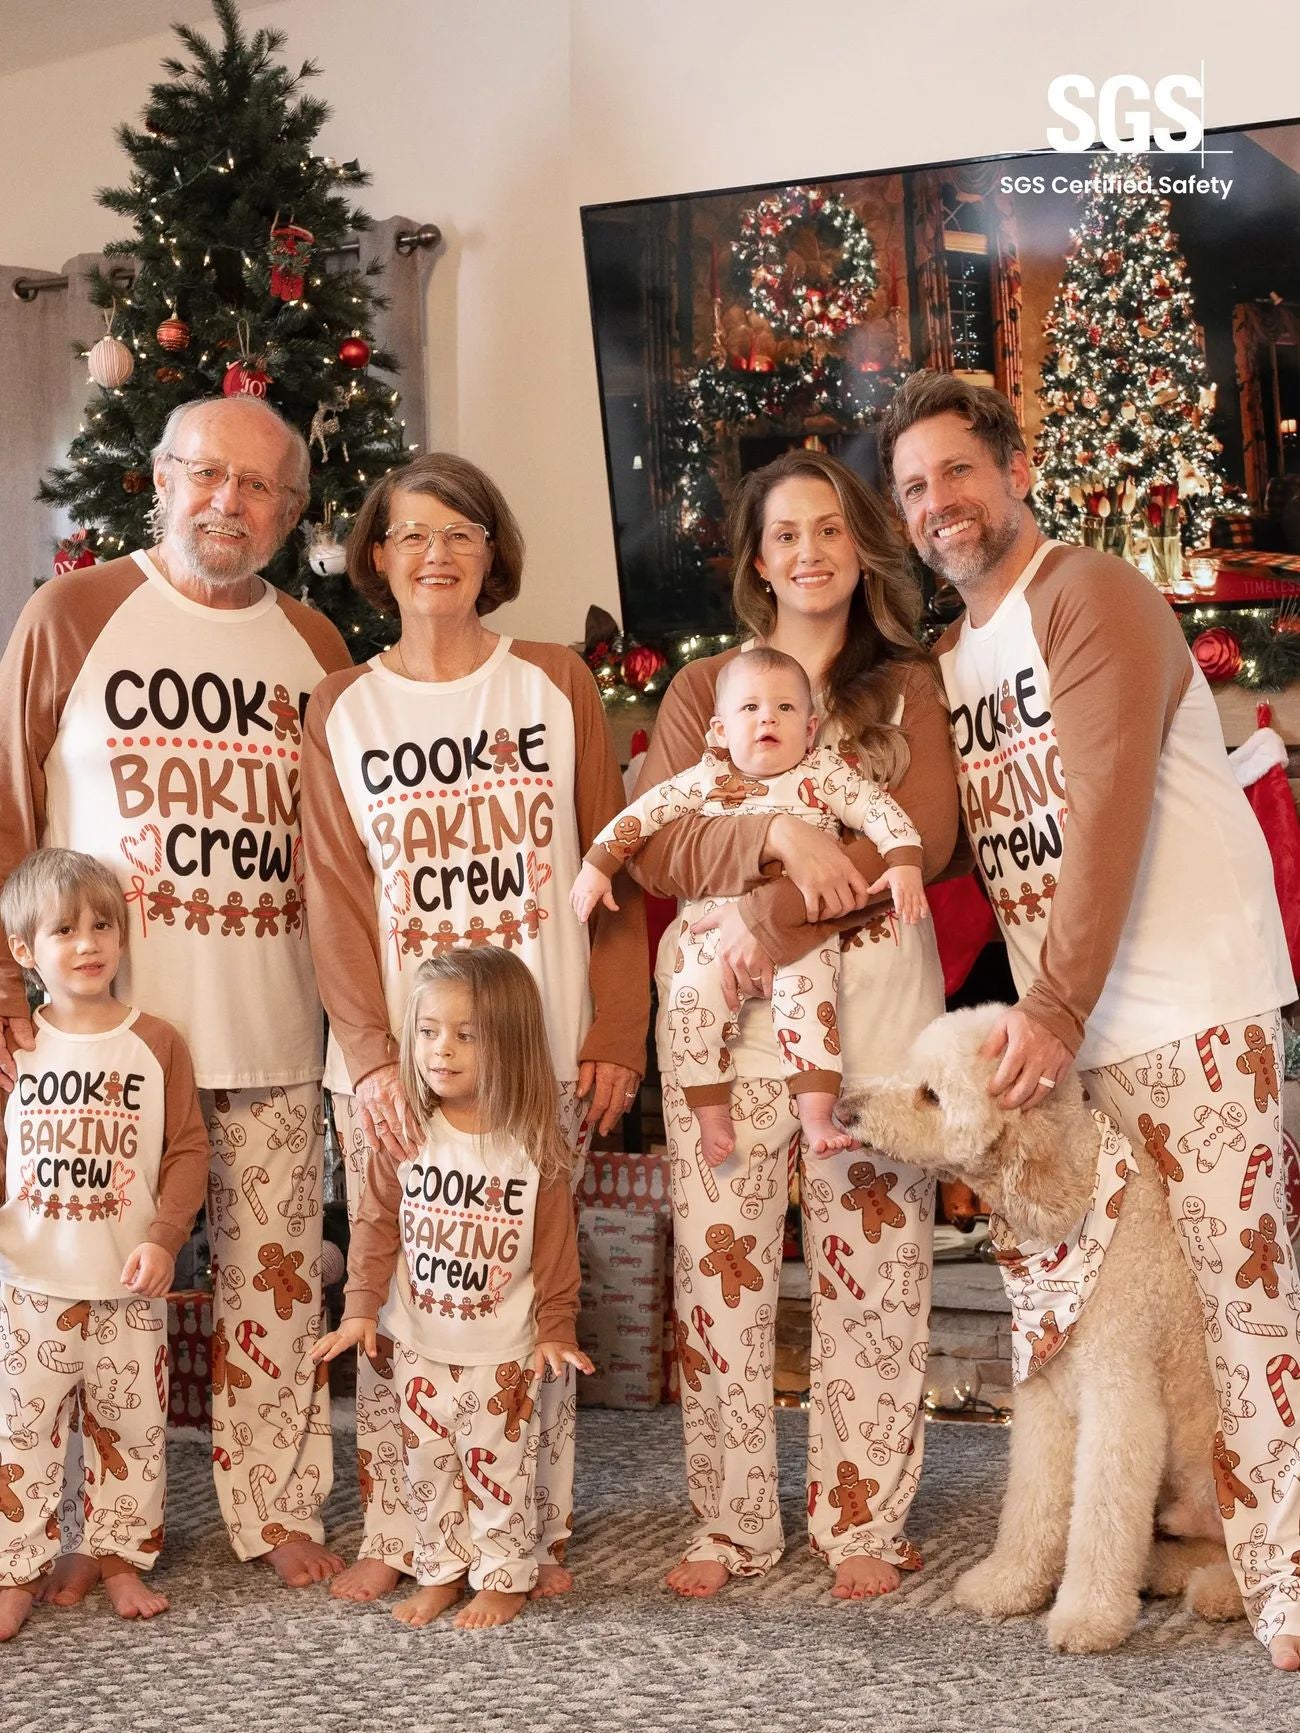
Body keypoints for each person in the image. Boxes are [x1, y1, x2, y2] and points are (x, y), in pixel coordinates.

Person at [879, 366, 1300, 1670]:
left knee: (1247, 1299)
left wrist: (1048, 1003)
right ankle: (1179, 1538)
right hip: (1070, 1057)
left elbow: (1108, 798)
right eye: (910, 488)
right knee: (1088, 1330)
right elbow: (935, 840)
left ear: (1010, 468)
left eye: (956, 469)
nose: (938, 503)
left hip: (1194, 1009)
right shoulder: (950, 660)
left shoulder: (1092, 591)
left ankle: (1287, 1576)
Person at [0, 395, 353, 1591]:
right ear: (160, 477)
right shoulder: (74, 612)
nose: (228, 503)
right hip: (97, 1043)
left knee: (277, 1285)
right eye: (207, 475)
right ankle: (71, 1528)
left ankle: (274, 1500)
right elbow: (6, 805)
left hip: (270, 1020)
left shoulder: (315, 643)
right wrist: (8, 989)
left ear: (291, 511)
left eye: (259, 487)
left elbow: (354, 852)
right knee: (76, 1293)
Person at [300, 451, 648, 1603]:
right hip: (402, 1063)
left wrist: (617, 1031)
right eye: (409, 534)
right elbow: (339, 897)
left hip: (535, 1055)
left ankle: (527, 1533)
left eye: (459, 531)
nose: (434, 553)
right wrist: (369, 1057)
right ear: (376, 556)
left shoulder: (555, 681)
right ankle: (400, 1528)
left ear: (492, 551)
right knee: (406, 1297)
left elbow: (614, 866)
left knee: (522, 1300)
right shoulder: (341, 706)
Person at [625, 449, 959, 1600]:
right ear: (755, 560)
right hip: (722, 1033)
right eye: (783, 534)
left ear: (858, 544)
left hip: (871, 1020)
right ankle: (729, 1523)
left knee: (874, 1273)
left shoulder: (906, 684)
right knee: (720, 1278)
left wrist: (771, 911)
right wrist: (781, 840)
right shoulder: (701, 690)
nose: (807, 552)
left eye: (828, 529)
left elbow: (927, 832)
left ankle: (860, 1511)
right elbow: (660, 842)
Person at [313, 947, 592, 1629]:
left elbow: (556, 1252)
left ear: (511, 1041)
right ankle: (439, 1570)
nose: (443, 1050)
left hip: (504, 1347)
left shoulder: (531, 1144)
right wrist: (358, 1310)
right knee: (428, 1465)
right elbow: (376, 1226)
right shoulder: (407, 1132)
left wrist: (556, 1327)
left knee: (500, 1466)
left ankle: (503, 1574)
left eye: (467, 1035)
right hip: (419, 1342)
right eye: (430, 1031)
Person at [572, 646, 928, 1162]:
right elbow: (642, 817)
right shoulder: (705, 777)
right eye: (750, 708)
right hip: (710, 935)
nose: (768, 718)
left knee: (811, 1010)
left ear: (809, 729)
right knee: (690, 1008)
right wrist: (596, 864)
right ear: (719, 732)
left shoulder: (822, 772)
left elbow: (878, 810)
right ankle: (711, 1112)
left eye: (785, 709)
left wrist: (903, 861)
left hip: (800, 931)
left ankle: (816, 1115)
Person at [0, 850, 208, 1640]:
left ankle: (119, 1557)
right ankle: (16, 1568)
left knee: (130, 1431)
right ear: (25, 950)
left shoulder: (155, 1042)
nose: (87, 942)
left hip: (128, 1286)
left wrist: (164, 1238)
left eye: (102, 925)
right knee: (22, 1432)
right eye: (63, 929)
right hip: (33, 1284)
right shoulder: (16, 1047)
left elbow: (187, 1149)